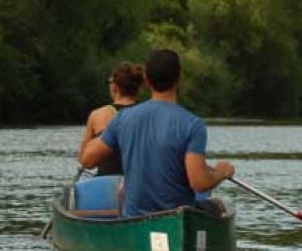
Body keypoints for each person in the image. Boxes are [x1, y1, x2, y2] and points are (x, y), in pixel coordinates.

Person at [79, 49, 235, 216]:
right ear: (179, 78)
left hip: (135, 217)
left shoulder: (122, 119)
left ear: (146, 79)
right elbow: (199, 183)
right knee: (220, 206)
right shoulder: (193, 125)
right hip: (176, 216)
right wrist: (221, 172)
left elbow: (87, 160)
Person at [77, 62, 144, 176]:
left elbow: (85, 162)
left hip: (106, 183)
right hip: (140, 182)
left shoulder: (98, 115)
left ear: (114, 86)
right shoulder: (148, 114)